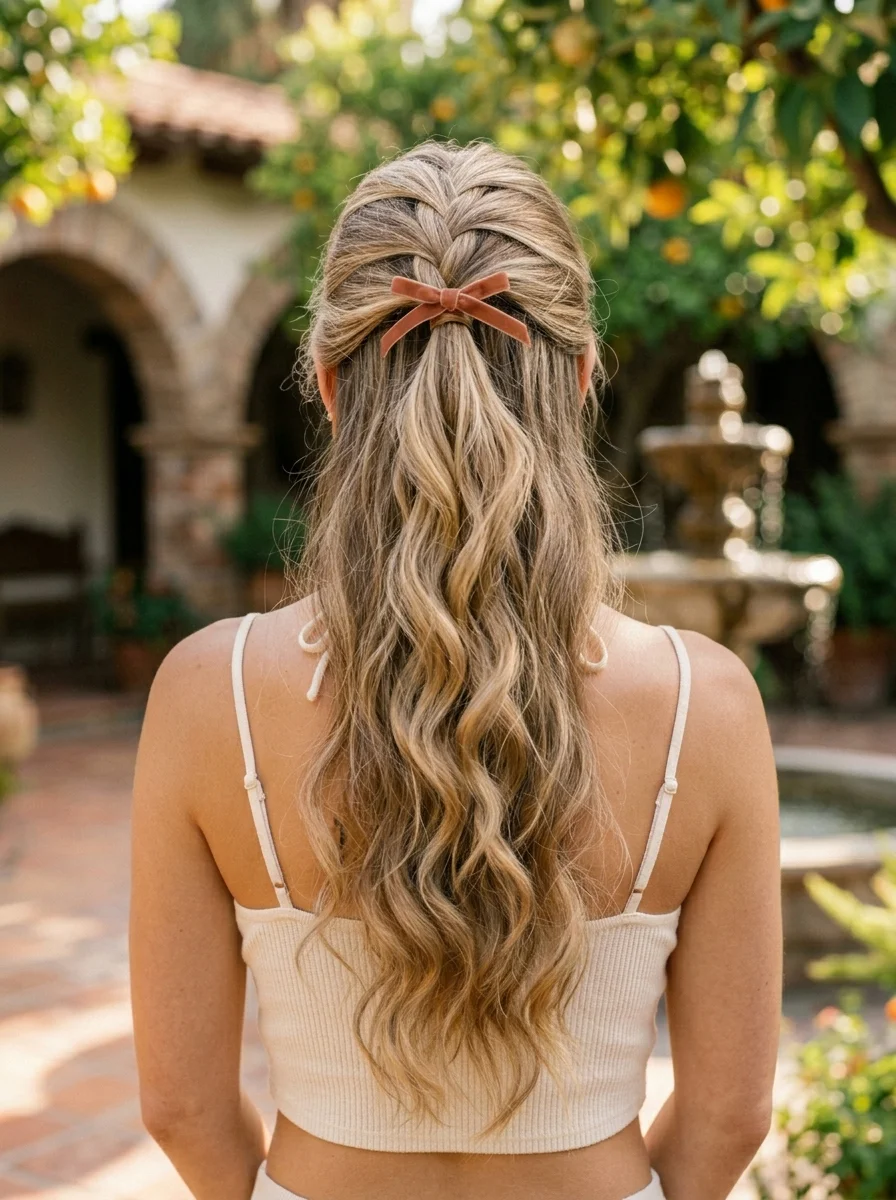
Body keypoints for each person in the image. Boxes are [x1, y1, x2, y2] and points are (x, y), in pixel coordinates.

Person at [130, 140, 782, 1200]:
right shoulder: (706, 704)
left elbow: (182, 1108)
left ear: (333, 387)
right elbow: (728, 1112)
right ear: (575, 380)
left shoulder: (207, 693)